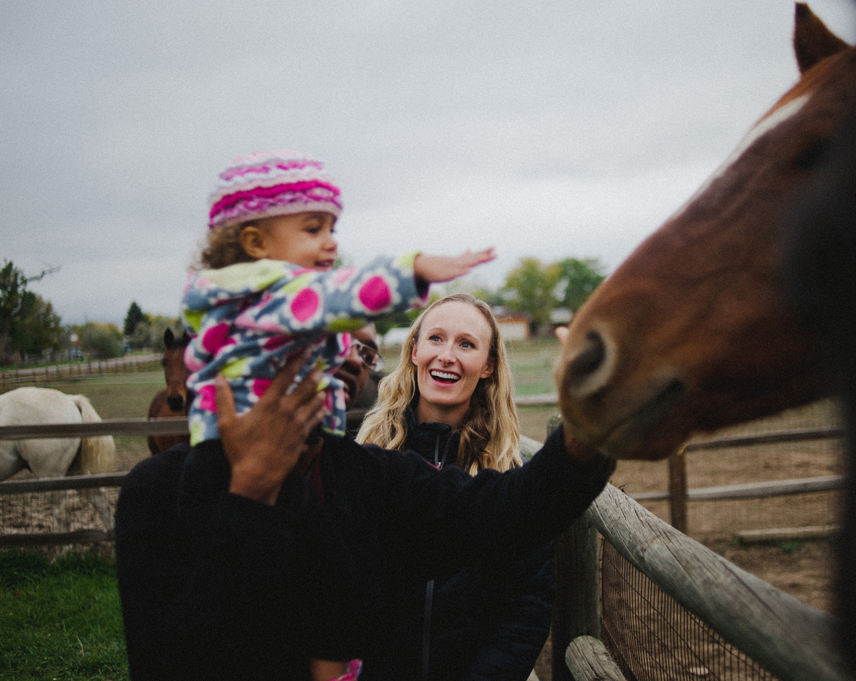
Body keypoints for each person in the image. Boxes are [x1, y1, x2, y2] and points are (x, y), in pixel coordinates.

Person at [115, 335, 614, 681]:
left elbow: (506, 513)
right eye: (328, 337)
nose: (354, 359)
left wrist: (599, 418)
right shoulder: (158, 492)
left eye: (363, 348)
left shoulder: (366, 477)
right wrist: (252, 494)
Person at [178, 149, 494, 680]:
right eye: (312, 227)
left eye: (332, 227)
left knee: (324, 570)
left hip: (260, 449)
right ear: (256, 243)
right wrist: (411, 268)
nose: (330, 241)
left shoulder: (241, 300)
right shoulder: (271, 293)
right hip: (251, 454)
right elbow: (338, 296)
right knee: (324, 569)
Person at [356, 294, 552, 681]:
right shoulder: (365, 460)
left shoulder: (510, 478)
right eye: (436, 339)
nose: (447, 355)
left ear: (488, 366)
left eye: (466, 344)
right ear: (414, 352)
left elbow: (527, 609)